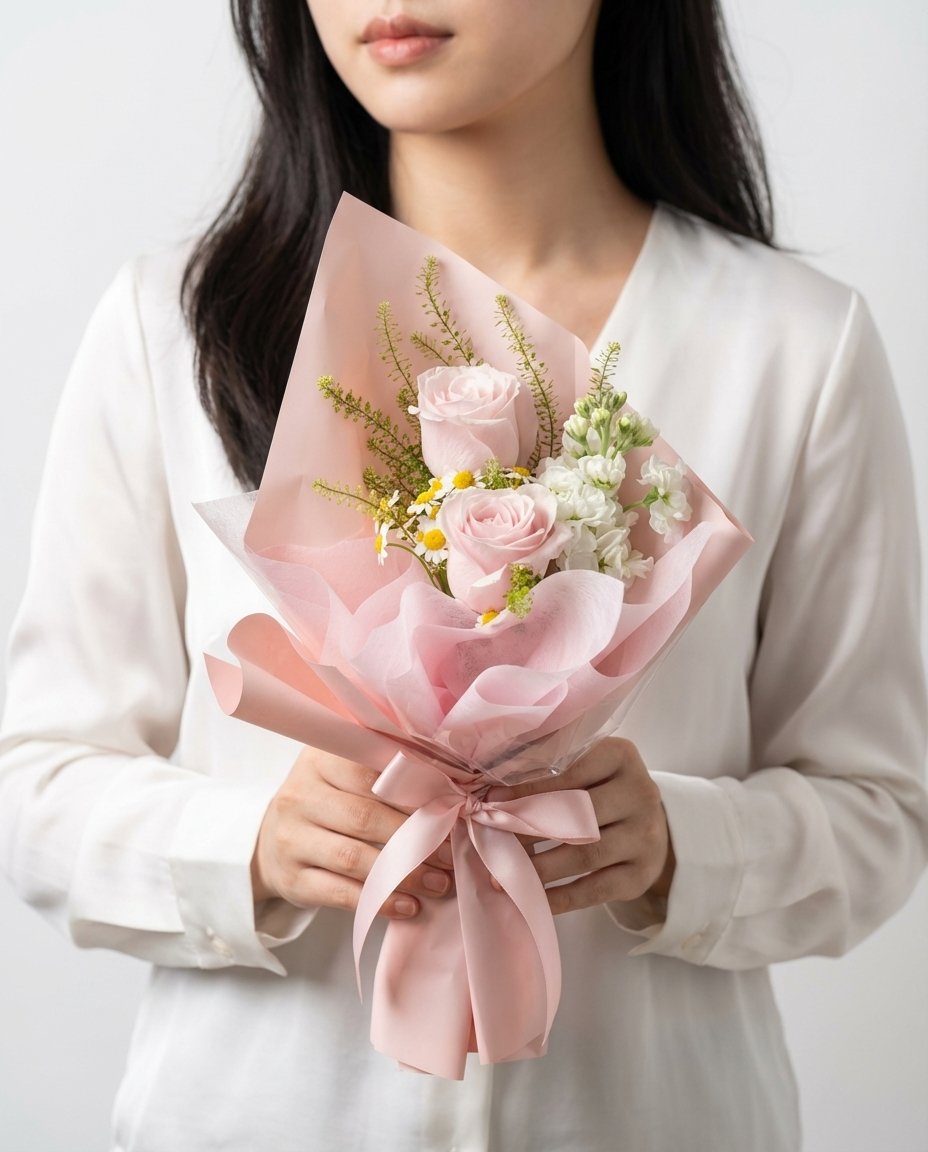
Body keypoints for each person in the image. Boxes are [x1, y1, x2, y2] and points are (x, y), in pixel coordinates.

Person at [1, 2, 926, 1150]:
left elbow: (879, 808)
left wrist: (682, 846)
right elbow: (37, 780)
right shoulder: (175, 327)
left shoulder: (788, 345)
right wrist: (248, 848)